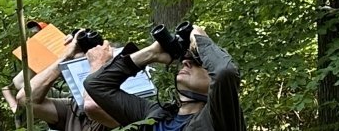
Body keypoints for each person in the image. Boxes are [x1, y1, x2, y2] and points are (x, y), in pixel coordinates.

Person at [85, 25, 242, 131]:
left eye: (197, 62)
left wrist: (202, 42)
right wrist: (150, 54)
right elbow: (96, 85)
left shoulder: (219, 117)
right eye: (185, 60)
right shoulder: (154, 114)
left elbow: (224, 72)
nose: (186, 62)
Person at [16, 29, 118, 131]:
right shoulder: (74, 109)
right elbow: (25, 99)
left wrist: (98, 62)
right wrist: (65, 57)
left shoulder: (126, 106)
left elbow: (93, 106)